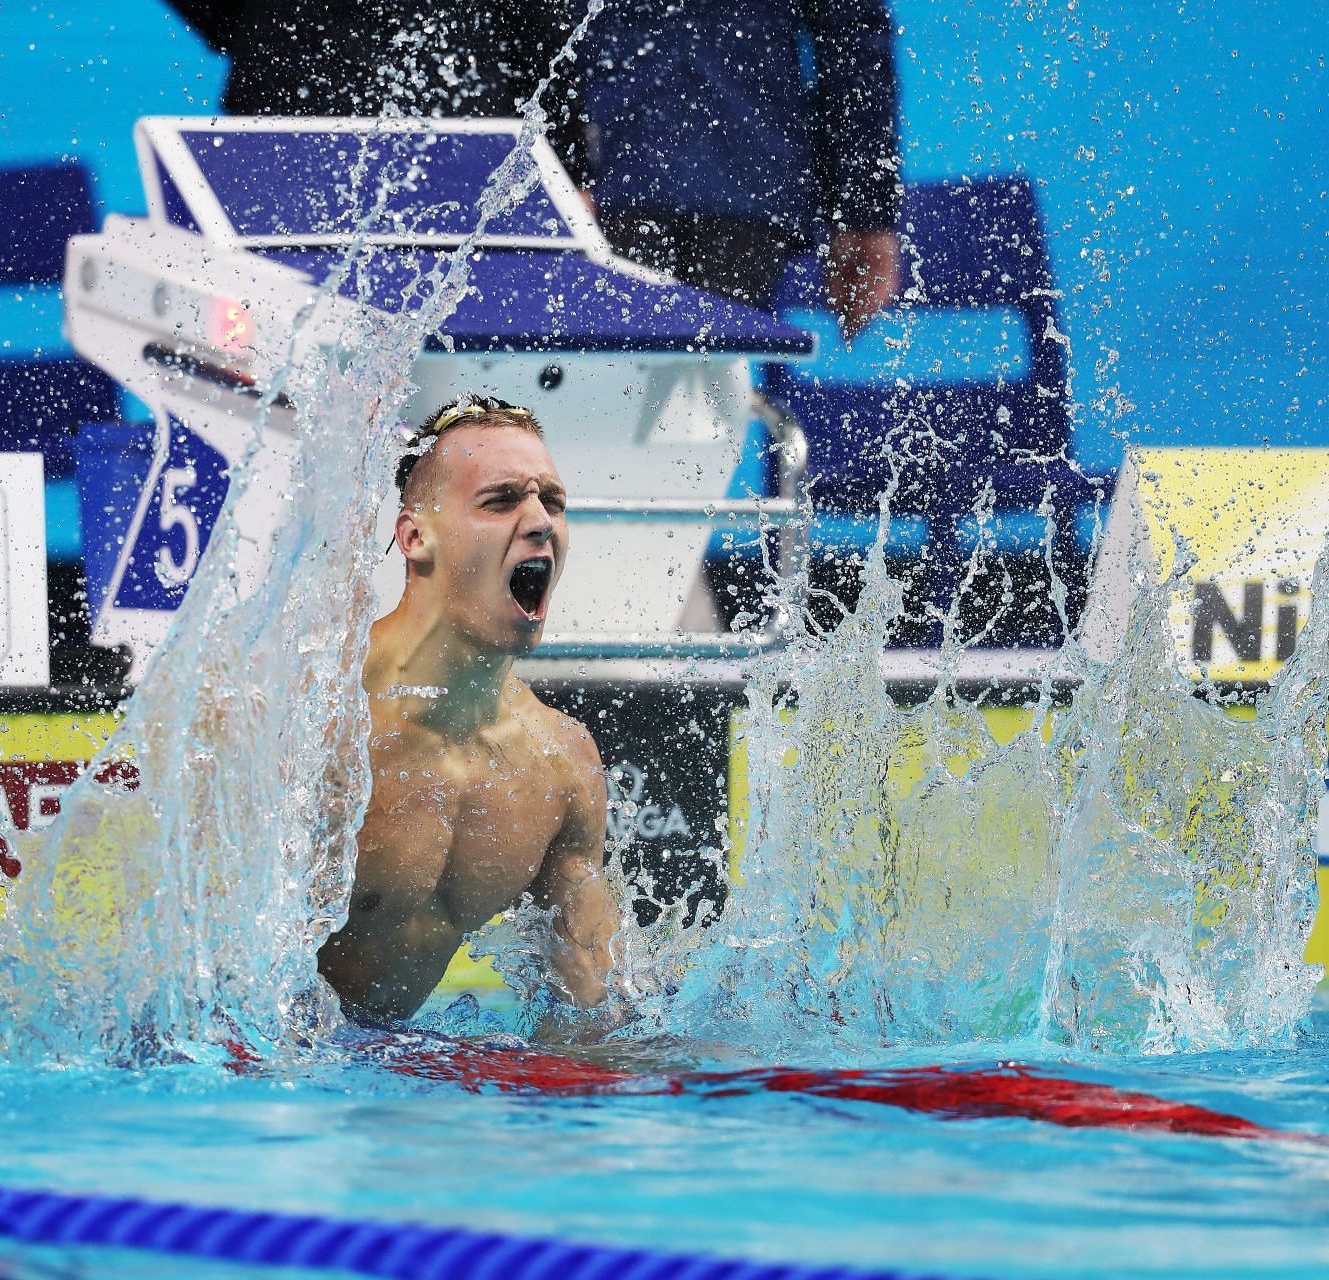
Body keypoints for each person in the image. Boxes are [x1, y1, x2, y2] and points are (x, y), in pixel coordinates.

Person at [316, 395, 615, 1023]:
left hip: (383, 1085)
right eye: (501, 501)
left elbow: (587, 1017)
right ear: (415, 537)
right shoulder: (316, 720)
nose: (539, 523)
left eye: (551, 503)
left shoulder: (561, 763)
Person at [583, 0, 902, 336]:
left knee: (611, 365)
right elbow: (853, 36)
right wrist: (866, 212)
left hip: (621, 157)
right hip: (748, 163)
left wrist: (563, 164)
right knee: (716, 360)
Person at [165, 1, 591, 185]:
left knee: (275, 318)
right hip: (451, 128)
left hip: (288, 107)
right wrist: (570, 165)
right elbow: (545, 37)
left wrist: (253, 29)